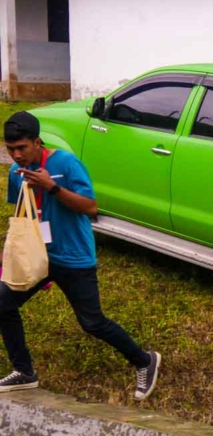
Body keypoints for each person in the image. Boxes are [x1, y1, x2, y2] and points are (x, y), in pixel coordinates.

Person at [0, 111, 160, 400]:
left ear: (37, 142)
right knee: (2, 303)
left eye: (22, 148)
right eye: (10, 150)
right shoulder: (15, 173)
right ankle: (24, 371)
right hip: (38, 257)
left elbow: (90, 207)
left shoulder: (66, 164)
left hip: (73, 258)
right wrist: (15, 254)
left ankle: (145, 361)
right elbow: (20, 212)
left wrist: (52, 187)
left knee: (93, 322)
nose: (16, 155)